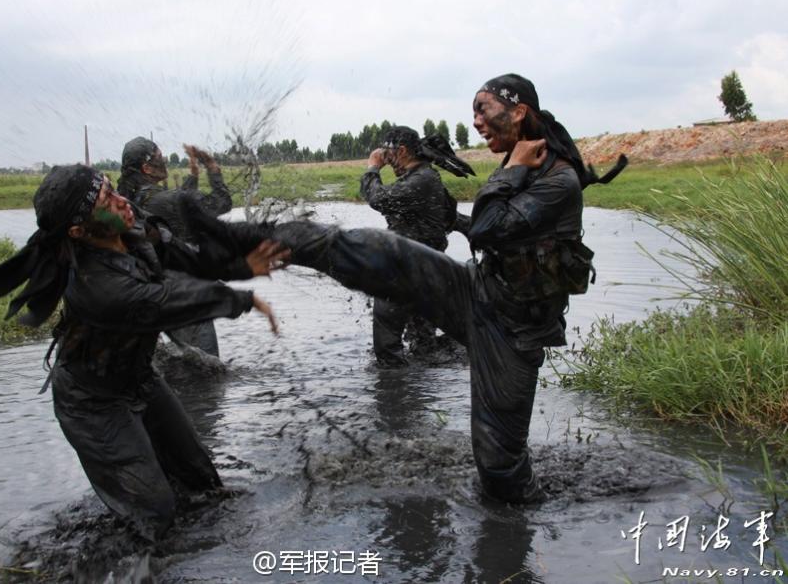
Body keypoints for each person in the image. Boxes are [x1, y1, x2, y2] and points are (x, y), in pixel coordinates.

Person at [256, 74, 626, 503]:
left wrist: (511, 170)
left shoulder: (555, 179)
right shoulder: (522, 165)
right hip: (477, 288)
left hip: (513, 328)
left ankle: (517, 529)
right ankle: (255, 241)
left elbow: (486, 227)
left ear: (519, 110)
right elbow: (468, 222)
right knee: (385, 252)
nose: (475, 121)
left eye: (482, 109)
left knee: (499, 470)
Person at [0, 164, 288, 540]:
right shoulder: (96, 287)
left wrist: (239, 266)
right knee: (155, 513)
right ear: (79, 231)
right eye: (106, 199)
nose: (122, 201)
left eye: (110, 187)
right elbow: (165, 301)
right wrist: (239, 298)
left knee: (201, 482)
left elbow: (183, 256)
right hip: (92, 403)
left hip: (139, 380)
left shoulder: (132, 228)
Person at [360, 125, 473, 366]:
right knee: (423, 350)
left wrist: (372, 168)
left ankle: (394, 394)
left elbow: (378, 199)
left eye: (388, 154)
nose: (387, 160)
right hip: (426, 275)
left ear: (401, 151)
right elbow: (451, 217)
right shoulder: (426, 178)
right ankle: (419, 392)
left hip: (407, 274)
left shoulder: (421, 179)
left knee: (387, 351)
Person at [117, 136, 234, 357]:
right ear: (147, 168)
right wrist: (213, 168)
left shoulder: (128, 202)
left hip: (151, 299)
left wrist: (193, 177)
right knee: (207, 371)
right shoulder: (167, 200)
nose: (165, 163)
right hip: (184, 299)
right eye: (160, 158)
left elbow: (176, 208)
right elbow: (222, 202)